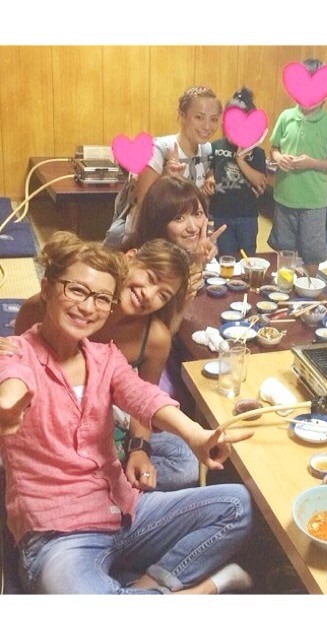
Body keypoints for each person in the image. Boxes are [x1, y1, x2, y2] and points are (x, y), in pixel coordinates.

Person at [0, 232, 254, 594]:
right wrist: (8, 406)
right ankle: (204, 590)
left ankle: (149, 584)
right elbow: (12, 384)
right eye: (77, 291)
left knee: (235, 504)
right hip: (59, 534)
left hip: (123, 511)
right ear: (47, 288)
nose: (88, 307)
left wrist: (195, 435)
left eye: (101, 299)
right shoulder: (16, 353)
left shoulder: (105, 357)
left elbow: (143, 395)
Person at [9, 237, 199, 492]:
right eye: (150, 278)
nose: (148, 294)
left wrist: (139, 449)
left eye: (162, 295)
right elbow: (19, 361)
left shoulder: (154, 337)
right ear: (129, 258)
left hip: (109, 421)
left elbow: (143, 399)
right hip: (49, 419)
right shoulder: (44, 306)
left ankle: (96, 482)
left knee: (187, 463)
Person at [105, 86, 222, 249]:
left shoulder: (207, 150)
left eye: (214, 119)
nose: (207, 126)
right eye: (199, 117)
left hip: (183, 239)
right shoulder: (158, 149)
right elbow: (144, 205)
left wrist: (210, 178)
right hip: (149, 241)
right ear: (182, 115)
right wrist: (167, 180)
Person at [268, 58, 327, 276]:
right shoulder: (286, 117)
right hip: (284, 195)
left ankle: (310, 284)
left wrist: (313, 163)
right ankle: (284, 284)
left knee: (312, 250)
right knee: (284, 246)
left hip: (314, 200)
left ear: (326, 94)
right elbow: (273, 148)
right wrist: (278, 157)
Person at [124, 175, 224, 302]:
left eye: (197, 214)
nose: (193, 228)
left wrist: (197, 260)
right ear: (157, 221)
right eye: (179, 218)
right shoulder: (141, 266)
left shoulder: (176, 256)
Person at [208, 87, 267, 258]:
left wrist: (240, 159)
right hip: (220, 213)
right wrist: (209, 179)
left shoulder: (257, 152)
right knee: (225, 255)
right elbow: (210, 171)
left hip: (246, 215)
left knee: (247, 256)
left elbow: (259, 180)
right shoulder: (215, 146)